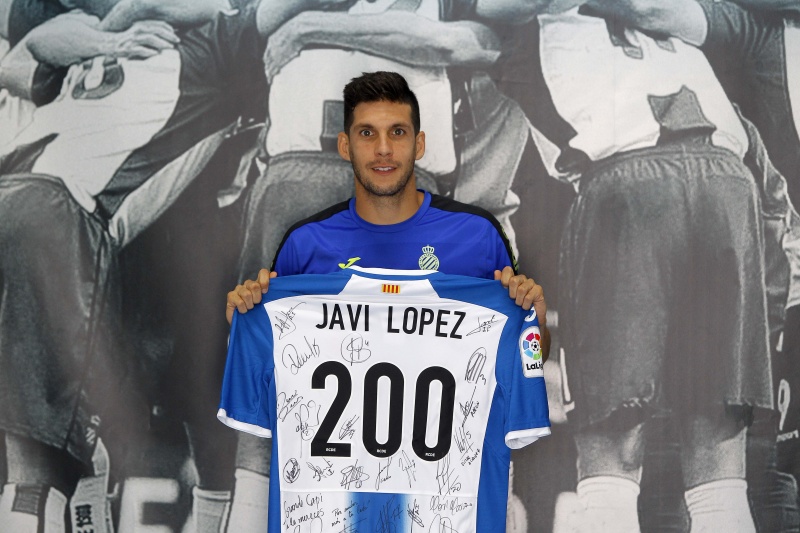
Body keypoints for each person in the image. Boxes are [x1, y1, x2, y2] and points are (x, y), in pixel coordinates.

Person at [0, 1, 354, 531]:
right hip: (59, 220)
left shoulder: (90, 50)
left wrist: (111, 33)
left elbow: (31, 48)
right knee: (42, 469)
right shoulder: (207, 49)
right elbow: (266, 15)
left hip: (19, 192)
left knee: (77, 441)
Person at [225, 70, 551, 531]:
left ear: (419, 144)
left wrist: (534, 325)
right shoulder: (306, 243)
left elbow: (524, 362)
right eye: (367, 134)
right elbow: (268, 374)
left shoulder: (476, 237)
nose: (383, 149)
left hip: (437, 501)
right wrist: (244, 315)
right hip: (332, 502)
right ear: (345, 146)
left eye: (397, 133)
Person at [492, 2, 773, 531]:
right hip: (729, 182)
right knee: (718, 457)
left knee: (611, 452)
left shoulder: (521, 17)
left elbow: (465, 35)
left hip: (626, 181)